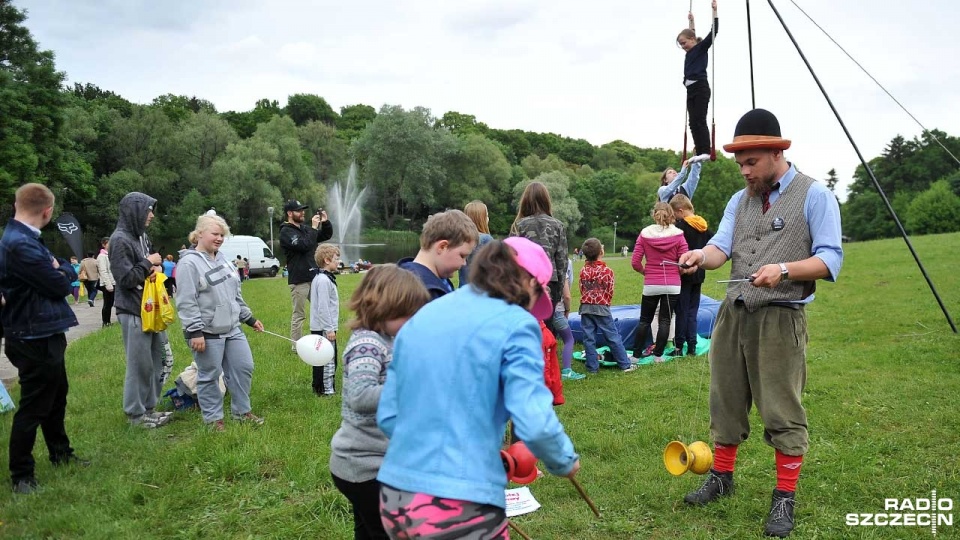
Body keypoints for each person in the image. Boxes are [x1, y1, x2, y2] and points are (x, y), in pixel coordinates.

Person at [677, 108, 843, 538]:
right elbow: (719, 248)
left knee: (781, 409)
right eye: (740, 165)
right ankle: (721, 478)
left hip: (781, 319)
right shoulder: (739, 199)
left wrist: (783, 270)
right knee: (725, 399)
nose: (745, 172)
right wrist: (700, 257)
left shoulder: (814, 195)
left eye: (751, 162)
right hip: (733, 315)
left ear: (775, 152)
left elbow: (830, 259)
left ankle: (784, 496)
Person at [377, 238, 580, 538]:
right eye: (537, 294)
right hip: (458, 503)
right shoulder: (518, 324)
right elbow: (533, 416)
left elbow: (388, 415)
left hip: (396, 495)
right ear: (527, 283)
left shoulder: (426, 314)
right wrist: (564, 460)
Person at [329, 265, 430, 540]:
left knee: (368, 530)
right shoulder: (367, 345)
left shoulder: (388, 339)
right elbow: (360, 396)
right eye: (407, 315)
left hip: (371, 464)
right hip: (364, 467)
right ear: (385, 308)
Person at [0, 183, 86, 495]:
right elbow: (60, 284)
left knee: (56, 396)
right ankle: (21, 476)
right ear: (48, 212)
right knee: (34, 405)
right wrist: (61, 271)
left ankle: (61, 453)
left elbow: (61, 271)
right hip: (31, 334)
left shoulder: (26, 239)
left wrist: (59, 269)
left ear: (16, 204)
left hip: (44, 331)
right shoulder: (20, 244)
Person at [175, 214, 265, 432]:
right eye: (215, 234)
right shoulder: (189, 263)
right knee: (209, 376)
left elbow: (235, 294)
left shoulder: (224, 259)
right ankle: (213, 420)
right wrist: (195, 331)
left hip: (233, 328)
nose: (219, 238)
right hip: (206, 332)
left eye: (222, 235)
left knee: (244, 367)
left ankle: (242, 412)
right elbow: (186, 301)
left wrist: (249, 318)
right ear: (199, 234)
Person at [109, 192, 173, 428]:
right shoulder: (120, 240)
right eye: (148, 210)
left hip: (150, 309)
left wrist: (152, 268)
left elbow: (145, 270)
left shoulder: (140, 237)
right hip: (133, 310)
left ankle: (149, 408)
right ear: (134, 211)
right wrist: (148, 263)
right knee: (139, 364)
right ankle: (135, 415)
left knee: (158, 360)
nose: (152, 215)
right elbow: (125, 278)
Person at [630, 202, 689, 363]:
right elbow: (685, 261)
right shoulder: (678, 234)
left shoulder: (645, 234)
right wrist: (678, 273)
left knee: (645, 320)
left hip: (651, 283)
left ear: (654, 214)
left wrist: (645, 272)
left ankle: (635, 356)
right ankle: (658, 356)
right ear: (671, 214)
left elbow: (635, 262)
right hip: (672, 284)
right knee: (665, 320)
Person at [510, 181, 570, 335]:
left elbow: (510, 256)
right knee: (547, 328)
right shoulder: (558, 225)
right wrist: (559, 290)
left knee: (525, 324)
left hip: (525, 281)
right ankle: (546, 356)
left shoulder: (519, 225)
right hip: (551, 280)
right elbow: (562, 261)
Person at [578, 238, 636, 374]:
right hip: (601, 306)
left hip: (586, 306)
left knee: (588, 338)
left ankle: (592, 368)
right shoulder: (607, 271)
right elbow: (610, 290)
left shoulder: (583, 271)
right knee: (612, 336)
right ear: (601, 252)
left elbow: (582, 288)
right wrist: (605, 301)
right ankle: (625, 365)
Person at [279, 199, 333, 345]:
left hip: (314, 276)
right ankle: (297, 346)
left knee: (321, 310)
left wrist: (325, 222)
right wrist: (314, 228)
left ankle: (321, 341)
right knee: (299, 315)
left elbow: (325, 236)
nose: (302, 213)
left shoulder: (305, 229)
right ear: (290, 213)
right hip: (299, 279)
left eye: (303, 210)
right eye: (299, 210)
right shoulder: (286, 231)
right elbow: (304, 245)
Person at [398, 209, 477, 300]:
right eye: (462, 256)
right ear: (442, 247)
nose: (464, 263)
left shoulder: (440, 279)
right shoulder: (419, 292)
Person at [669, 194, 713, 356]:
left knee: (681, 310)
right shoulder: (704, 226)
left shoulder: (681, 227)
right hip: (700, 273)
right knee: (692, 311)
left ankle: (679, 346)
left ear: (680, 211)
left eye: (674, 214)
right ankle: (692, 347)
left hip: (683, 272)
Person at [679, 0, 718, 157]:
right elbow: (691, 32)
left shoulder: (701, 48)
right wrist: (692, 21)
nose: (683, 47)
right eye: (681, 44)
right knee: (692, 122)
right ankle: (699, 149)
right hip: (690, 89)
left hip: (701, 86)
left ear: (692, 40)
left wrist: (715, 11)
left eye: (684, 43)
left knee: (700, 119)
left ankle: (705, 150)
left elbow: (714, 31)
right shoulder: (689, 53)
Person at [309, 243, 341, 397]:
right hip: (324, 327)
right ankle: (327, 390)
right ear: (327, 260)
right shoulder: (323, 280)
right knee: (328, 358)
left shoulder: (321, 278)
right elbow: (323, 307)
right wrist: (329, 328)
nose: (338, 262)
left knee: (321, 358)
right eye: (336, 259)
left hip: (323, 326)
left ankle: (319, 388)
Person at [557, 257, 584, 380]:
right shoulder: (562, 271)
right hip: (558, 311)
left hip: (543, 310)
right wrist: (567, 309)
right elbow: (567, 295)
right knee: (569, 339)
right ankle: (567, 371)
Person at [458, 200, 494, 285]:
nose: (488, 219)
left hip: (464, 288)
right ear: (481, 219)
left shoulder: (461, 238)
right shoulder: (486, 239)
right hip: (481, 289)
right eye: (487, 216)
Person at [97, 237, 116, 327]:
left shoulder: (110, 255)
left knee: (111, 303)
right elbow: (103, 271)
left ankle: (108, 321)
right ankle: (105, 322)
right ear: (104, 245)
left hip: (113, 282)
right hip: (107, 283)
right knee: (107, 303)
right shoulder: (102, 256)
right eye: (108, 243)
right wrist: (108, 285)